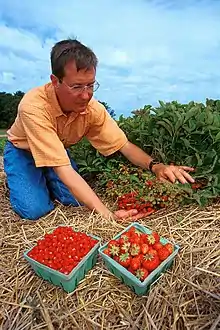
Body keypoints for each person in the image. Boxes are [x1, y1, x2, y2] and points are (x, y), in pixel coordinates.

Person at [3, 38, 195, 221]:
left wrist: (156, 166)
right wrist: (107, 215)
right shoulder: (33, 106)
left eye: (91, 85)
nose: (86, 95)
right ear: (55, 81)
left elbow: (124, 145)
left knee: (76, 201)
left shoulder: (93, 110)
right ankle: (28, 176)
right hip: (23, 151)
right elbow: (63, 168)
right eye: (77, 86)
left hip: (58, 151)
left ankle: (44, 176)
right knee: (34, 210)